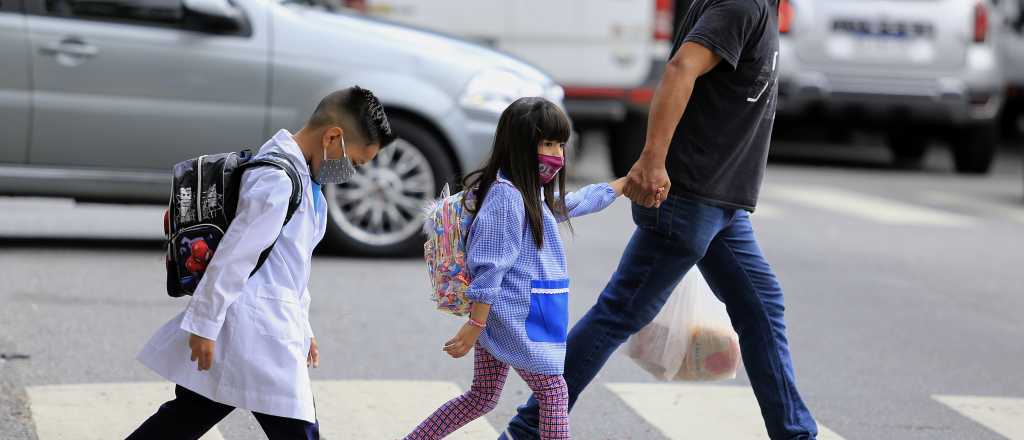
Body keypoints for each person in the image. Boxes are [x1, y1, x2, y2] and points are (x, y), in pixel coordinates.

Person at [502, 1, 820, 439]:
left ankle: (796, 433)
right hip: (689, 197)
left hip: (721, 203)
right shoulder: (742, 4)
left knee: (762, 308)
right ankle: (527, 430)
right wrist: (652, 161)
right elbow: (680, 68)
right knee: (616, 314)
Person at [129, 86, 395, 440]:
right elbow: (235, 255)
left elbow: (290, 267)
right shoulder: (276, 179)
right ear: (333, 137)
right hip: (252, 326)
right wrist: (205, 324)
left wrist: (304, 327)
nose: (352, 172)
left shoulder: (302, 178)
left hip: (262, 325)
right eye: (356, 162)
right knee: (297, 430)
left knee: (184, 418)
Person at [404, 97, 635, 440]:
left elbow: (571, 203)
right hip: (514, 317)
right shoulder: (506, 198)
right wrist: (475, 324)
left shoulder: (528, 194)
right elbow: (490, 266)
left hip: (513, 313)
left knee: (481, 397)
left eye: (560, 144)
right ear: (520, 145)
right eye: (547, 143)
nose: (556, 154)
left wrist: (621, 186)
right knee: (554, 393)